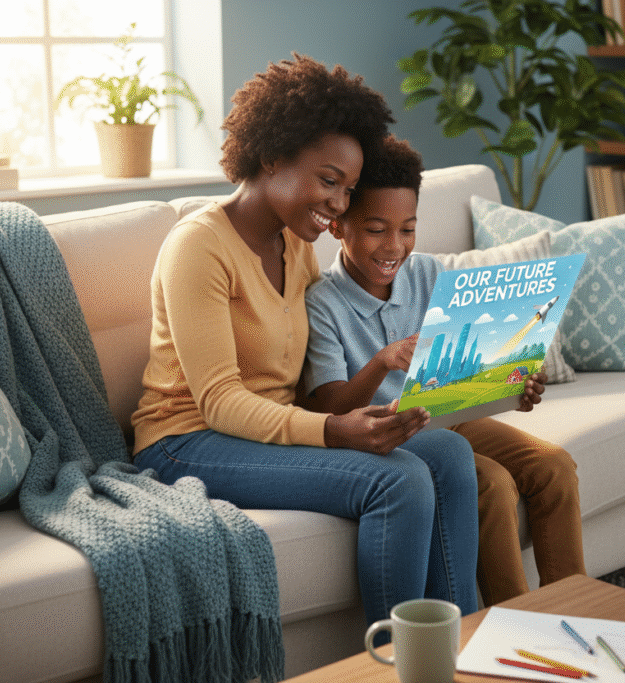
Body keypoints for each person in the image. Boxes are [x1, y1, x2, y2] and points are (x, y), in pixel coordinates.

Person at [131, 55, 480, 625]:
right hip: (185, 440)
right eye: (328, 181)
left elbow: (312, 373)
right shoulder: (198, 246)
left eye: (347, 189)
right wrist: (333, 431)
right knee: (399, 481)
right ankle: (391, 663)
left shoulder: (295, 241)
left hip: (263, 430)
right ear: (271, 157)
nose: (339, 205)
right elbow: (218, 401)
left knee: (448, 452)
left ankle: (461, 643)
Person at [303, 134, 587, 606]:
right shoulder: (323, 303)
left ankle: (570, 612)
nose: (394, 246)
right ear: (338, 226)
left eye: (407, 229)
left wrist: (515, 383)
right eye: (376, 229)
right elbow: (329, 408)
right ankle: (512, 628)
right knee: (491, 484)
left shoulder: (429, 274)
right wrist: (381, 362)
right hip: (391, 438)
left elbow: (468, 368)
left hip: (451, 418)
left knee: (553, 465)